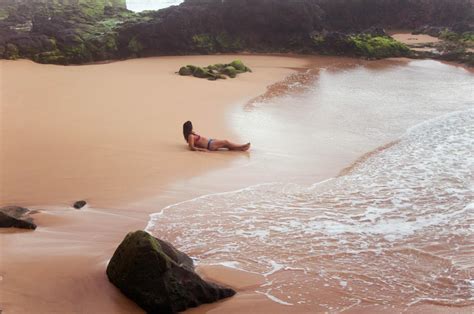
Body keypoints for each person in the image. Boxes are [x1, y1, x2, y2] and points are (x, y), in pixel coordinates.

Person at [183, 121, 250, 152]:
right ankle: (241, 147)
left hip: (210, 142)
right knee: (226, 142)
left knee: (226, 145)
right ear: (189, 128)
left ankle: (238, 148)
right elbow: (191, 147)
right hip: (210, 145)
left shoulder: (191, 134)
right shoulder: (190, 136)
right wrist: (203, 150)